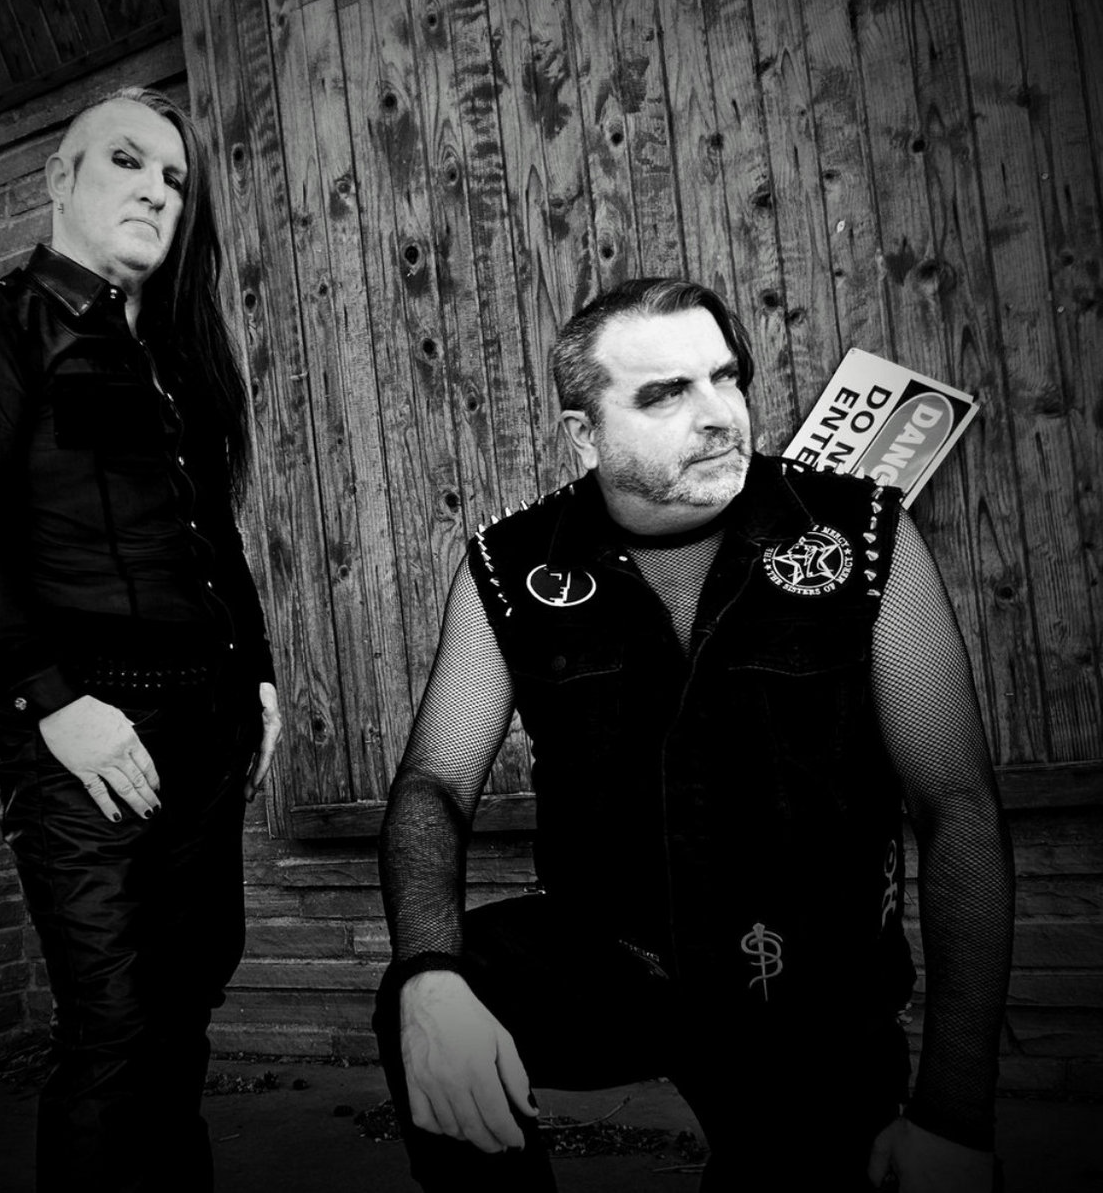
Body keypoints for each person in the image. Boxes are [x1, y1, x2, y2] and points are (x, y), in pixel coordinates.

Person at [375, 279, 1014, 1192]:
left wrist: (955, 1116)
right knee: (428, 998)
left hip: (809, 999)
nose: (719, 415)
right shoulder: (516, 566)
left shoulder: (858, 533)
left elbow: (956, 806)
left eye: (726, 377)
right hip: (617, 965)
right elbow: (434, 784)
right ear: (585, 434)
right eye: (666, 393)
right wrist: (429, 975)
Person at [0, 88, 280, 1192]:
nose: (157, 192)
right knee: (112, 1029)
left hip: (207, 717)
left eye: (174, 180)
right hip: (85, 721)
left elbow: (213, 534)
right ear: (59, 180)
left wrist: (256, 676)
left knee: (183, 1009)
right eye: (127, 162)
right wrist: (55, 701)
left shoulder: (172, 354)